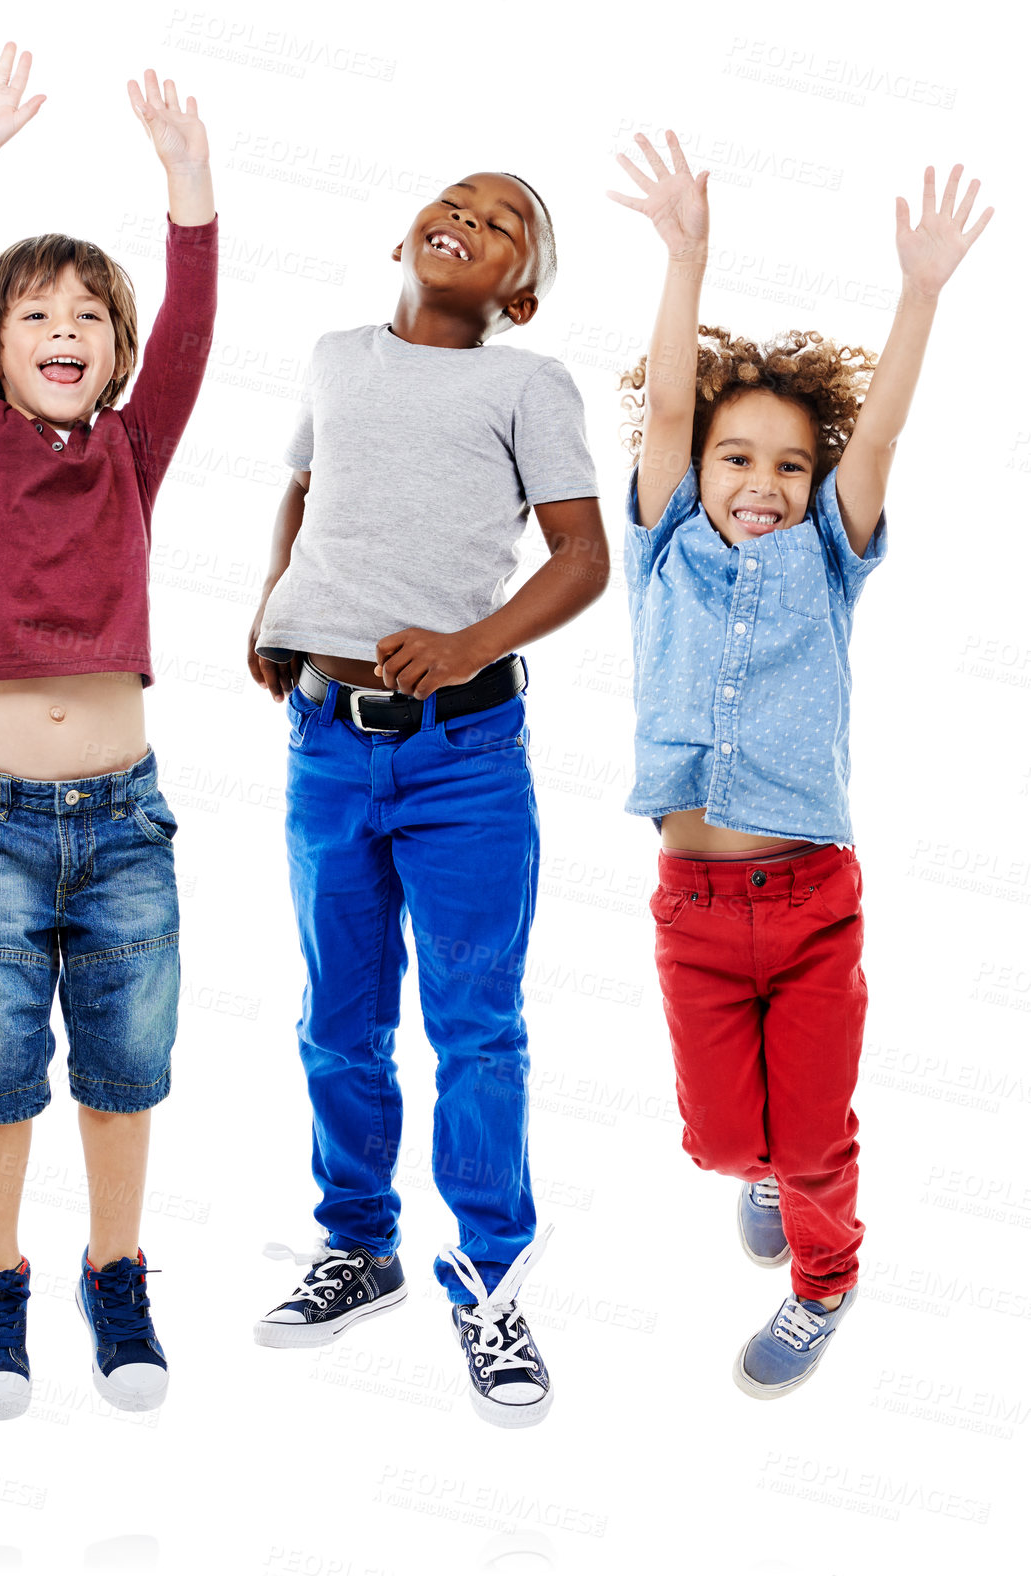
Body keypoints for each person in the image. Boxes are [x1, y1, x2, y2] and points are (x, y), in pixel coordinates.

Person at [609, 131, 992, 1397]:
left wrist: (919, 293)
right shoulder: (665, 545)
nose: (761, 483)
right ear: (696, 472)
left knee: (819, 1137)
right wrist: (687, 259)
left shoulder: (828, 555)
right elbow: (670, 403)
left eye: (787, 463)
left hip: (812, 899)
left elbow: (873, 436)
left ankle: (825, 1280)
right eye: (737, 459)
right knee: (724, 1144)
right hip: (697, 912)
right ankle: (767, 1169)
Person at [247, 171, 606, 1428]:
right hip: (326, 747)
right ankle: (360, 1245)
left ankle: (490, 1281)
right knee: (337, 1021)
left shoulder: (525, 383)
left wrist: (465, 643)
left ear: (521, 289)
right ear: (403, 233)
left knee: (475, 1026)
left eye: (507, 222)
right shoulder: (335, 357)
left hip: (465, 759)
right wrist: (273, 602)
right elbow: (306, 485)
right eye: (455, 201)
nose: (472, 217)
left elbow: (581, 556)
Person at [0, 42, 217, 1419]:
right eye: (35, 315)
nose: (64, 331)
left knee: (124, 1063)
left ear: (116, 353)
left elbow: (194, 328)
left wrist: (188, 195)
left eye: (88, 315)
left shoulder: (132, 454)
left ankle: (117, 1269)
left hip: (122, 818)